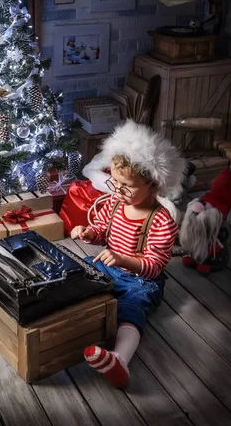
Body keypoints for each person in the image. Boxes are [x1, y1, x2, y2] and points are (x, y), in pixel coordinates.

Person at [71, 120, 186, 388]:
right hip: (108, 267)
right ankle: (70, 323)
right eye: (115, 182)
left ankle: (119, 359)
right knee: (78, 274)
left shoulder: (161, 221)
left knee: (131, 311)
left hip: (140, 281)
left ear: (154, 185)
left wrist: (124, 260)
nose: (118, 191)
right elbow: (101, 230)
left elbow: (155, 266)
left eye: (127, 187)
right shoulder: (114, 203)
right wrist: (89, 233)